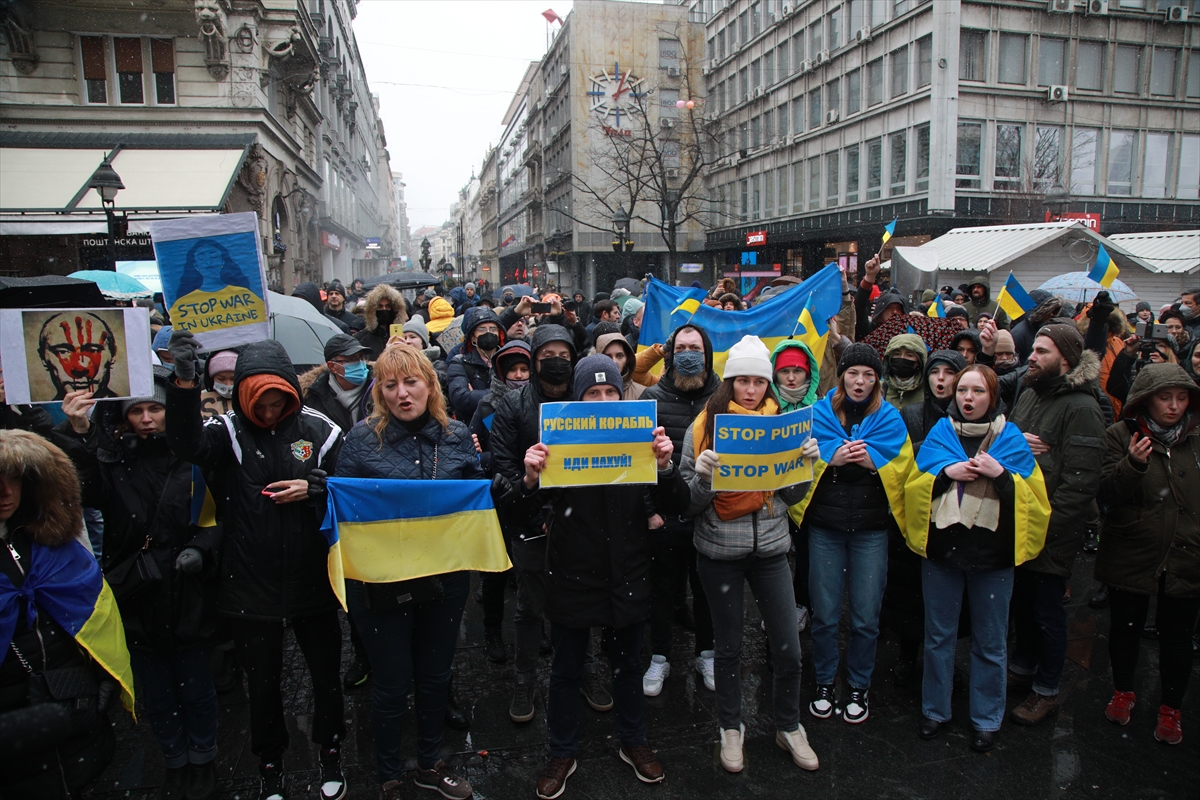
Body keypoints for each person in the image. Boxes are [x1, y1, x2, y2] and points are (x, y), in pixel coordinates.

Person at [164, 331, 347, 800]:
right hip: (248, 583)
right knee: (262, 686)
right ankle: (270, 761)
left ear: (290, 391)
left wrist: (317, 488)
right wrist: (184, 383)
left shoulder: (321, 431)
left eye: (276, 403)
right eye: (257, 405)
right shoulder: (226, 431)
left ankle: (330, 749)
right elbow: (185, 445)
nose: (267, 414)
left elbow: (350, 486)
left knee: (326, 676)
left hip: (314, 578)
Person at [522, 355, 685, 799]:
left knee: (629, 664)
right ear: (577, 400)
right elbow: (528, 511)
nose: (602, 400)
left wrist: (666, 464)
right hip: (572, 568)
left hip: (628, 566)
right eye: (591, 394)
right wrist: (532, 477)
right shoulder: (557, 442)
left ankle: (633, 741)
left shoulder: (641, 440)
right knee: (566, 667)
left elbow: (675, 501)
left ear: (621, 395)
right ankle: (562, 751)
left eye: (610, 392)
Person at [63, 370, 223, 800]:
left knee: (197, 687)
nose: (148, 419)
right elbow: (84, 489)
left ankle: (203, 758)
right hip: (137, 593)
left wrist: (204, 549)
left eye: (156, 408)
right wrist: (79, 431)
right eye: (138, 410)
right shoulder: (113, 459)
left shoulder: (193, 458)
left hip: (188, 589)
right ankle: (174, 760)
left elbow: (217, 515)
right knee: (157, 693)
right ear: (125, 416)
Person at [333, 344, 479, 800]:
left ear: (430, 386)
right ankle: (389, 773)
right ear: (379, 392)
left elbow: (478, 494)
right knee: (392, 684)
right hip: (380, 583)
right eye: (390, 385)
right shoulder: (359, 439)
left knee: (436, 676)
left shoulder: (456, 435)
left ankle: (431, 762)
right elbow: (341, 513)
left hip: (444, 577)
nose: (402, 394)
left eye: (411, 382)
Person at [680, 335, 821, 774]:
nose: (751, 390)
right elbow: (686, 503)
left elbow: (791, 495)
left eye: (758, 381)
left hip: (773, 550)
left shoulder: (786, 423)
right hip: (719, 552)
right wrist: (702, 477)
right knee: (728, 647)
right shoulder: (704, 425)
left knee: (790, 649)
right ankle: (730, 728)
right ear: (730, 382)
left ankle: (788, 725)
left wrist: (805, 466)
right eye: (742, 380)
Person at [904, 365, 1050, 752]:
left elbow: (1034, 500)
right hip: (943, 555)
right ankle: (935, 711)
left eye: (977, 392)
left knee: (990, 642)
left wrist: (1001, 475)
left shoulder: (1011, 440)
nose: (968, 399)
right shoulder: (941, 435)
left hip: (993, 558)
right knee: (938, 637)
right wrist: (943, 474)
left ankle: (987, 718)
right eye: (963, 391)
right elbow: (913, 486)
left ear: (992, 397)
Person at [488, 325, 613, 722]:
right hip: (530, 523)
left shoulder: (587, 400)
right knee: (530, 608)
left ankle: (588, 671)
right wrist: (538, 506)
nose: (556, 362)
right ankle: (524, 680)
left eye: (563, 355)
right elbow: (504, 468)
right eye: (548, 356)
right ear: (534, 359)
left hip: (580, 523)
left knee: (585, 599)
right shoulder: (512, 405)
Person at [0, 430, 133, 800]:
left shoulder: (55, 547)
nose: (5, 493)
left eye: (14, 478)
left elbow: (96, 614)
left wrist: (100, 673)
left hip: (72, 714)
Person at [789, 343, 912, 726]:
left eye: (868, 374)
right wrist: (830, 458)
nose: (860, 381)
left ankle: (859, 684)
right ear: (841, 376)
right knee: (824, 616)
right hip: (825, 529)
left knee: (865, 617)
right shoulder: (818, 415)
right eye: (853, 373)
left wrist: (876, 462)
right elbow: (798, 458)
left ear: (878, 379)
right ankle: (826, 680)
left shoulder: (891, 418)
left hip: (871, 532)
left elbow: (904, 465)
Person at [1095, 363, 1200, 745]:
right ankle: (1123, 690)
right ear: (1145, 400)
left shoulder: (1196, 438)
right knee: (1125, 628)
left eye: (1181, 397)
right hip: (1131, 550)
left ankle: (1171, 707)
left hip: (1187, 555)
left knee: (1177, 636)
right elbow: (1104, 493)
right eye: (1164, 397)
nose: (1173, 406)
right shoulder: (1119, 436)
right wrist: (1133, 465)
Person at [1006, 325, 1105, 727]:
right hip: (1020, 523)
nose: (1031, 356)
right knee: (1023, 607)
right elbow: (1008, 438)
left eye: (1041, 351)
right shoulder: (1030, 392)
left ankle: (1046, 691)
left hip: (1050, 533)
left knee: (1048, 613)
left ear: (1065, 360)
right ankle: (1024, 668)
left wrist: (1050, 533)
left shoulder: (1082, 407)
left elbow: (1080, 484)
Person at [640, 325, 720, 696]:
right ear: (670, 355)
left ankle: (707, 652)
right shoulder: (651, 398)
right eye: (682, 347)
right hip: (665, 517)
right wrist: (648, 511)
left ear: (708, 354)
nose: (689, 354)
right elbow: (636, 463)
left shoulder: (724, 398)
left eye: (696, 348)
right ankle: (659, 657)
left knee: (706, 590)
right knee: (662, 590)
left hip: (708, 516)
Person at [888, 350, 967, 685]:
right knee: (912, 591)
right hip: (919, 512)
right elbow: (902, 460)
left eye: (950, 373)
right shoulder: (911, 413)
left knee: (950, 596)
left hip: (956, 518)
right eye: (936, 372)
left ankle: (944, 663)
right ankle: (908, 655)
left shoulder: (970, 417)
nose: (941, 379)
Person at [469, 340, 530, 662]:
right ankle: (493, 632)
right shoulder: (487, 406)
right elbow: (473, 454)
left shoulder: (539, 404)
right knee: (494, 568)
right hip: (497, 495)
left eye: (524, 369)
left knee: (530, 570)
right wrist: (494, 458)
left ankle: (538, 630)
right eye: (513, 370)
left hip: (532, 493)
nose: (519, 376)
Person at [769, 339, 821, 637]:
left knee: (805, 557)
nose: (791, 377)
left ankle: (800, 605)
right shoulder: (768, 405)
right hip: (775, 494)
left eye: (798, 371)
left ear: (807, 373)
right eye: (785, 370)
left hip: (810, 496)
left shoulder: (821, 406)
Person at [300, 335, 373, 434]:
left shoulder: (379, 388)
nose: (359, 363)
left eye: (361, 358)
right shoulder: (313, 397)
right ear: (332, 366)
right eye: (351, 359)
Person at [447, 307, 505, 421]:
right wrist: (504, 392)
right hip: (472, 426)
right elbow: (461, 399)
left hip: (505, 424)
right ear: (473, 337)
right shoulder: (459, 362)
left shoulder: (506, 360)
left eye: (493, 329)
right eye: (482, 329)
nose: (488, 333)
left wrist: (476, 394)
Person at [355, 284, 408, 360]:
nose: (384, 309)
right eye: (380, 306)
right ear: (373, 310)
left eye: (387, 306)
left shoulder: (404, 336)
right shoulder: (361, 339)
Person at [595, 332, 646, 400]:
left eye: (619, 356)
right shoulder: (589, 393)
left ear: (627, 359)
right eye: (608, 357)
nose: (614, 362)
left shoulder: (642, 394)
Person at [883, 333, 928, 410]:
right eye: (897, 354)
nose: (902, 358)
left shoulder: (928, 392)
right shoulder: (879, 389)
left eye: (909, 355)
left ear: (919, 361)